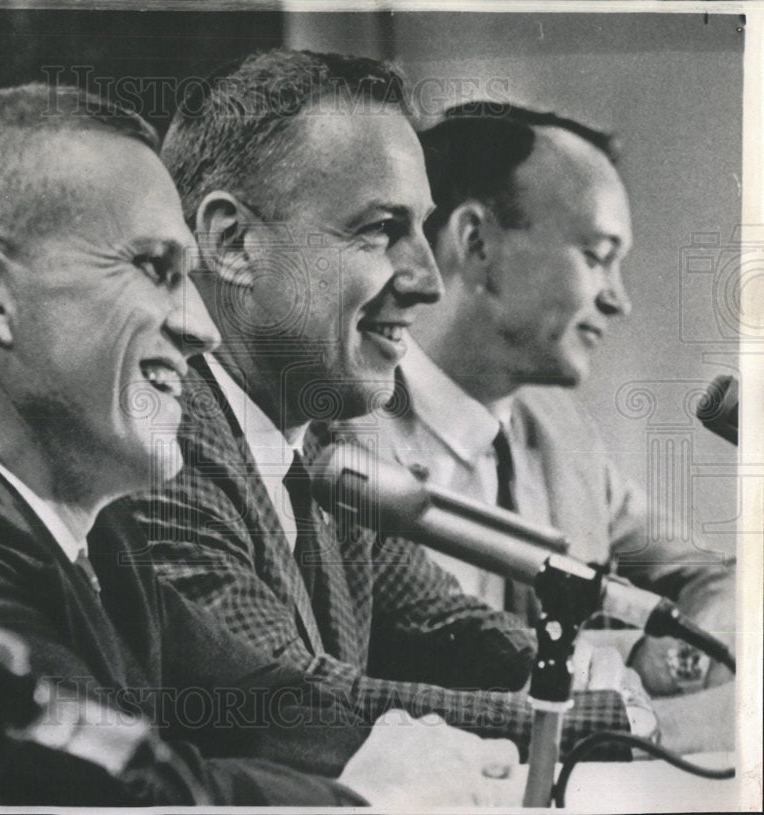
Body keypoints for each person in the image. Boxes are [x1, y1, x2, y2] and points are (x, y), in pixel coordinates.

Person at [0, 83, 520, 807]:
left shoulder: (76, 503)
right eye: (157, 270)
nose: (201, 327)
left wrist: (410, 755)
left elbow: (261, 701)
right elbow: (115, 799)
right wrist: (375, 796)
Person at [105, 48, 645, 765]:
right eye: (380, 229)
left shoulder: (322, 435)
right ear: (233, 242)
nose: (427, 280)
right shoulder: (158, 442)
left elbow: (444, 624)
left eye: (422, 228)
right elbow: (294, 704)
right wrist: (582, 718)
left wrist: (573, 670)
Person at [352, 102, 734, 745]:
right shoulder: (344, 431)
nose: (619, 297)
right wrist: (658, 694)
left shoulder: (558, 429)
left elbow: (703, 575)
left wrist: (701, 647)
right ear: (476, 243)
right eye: (596, 255)